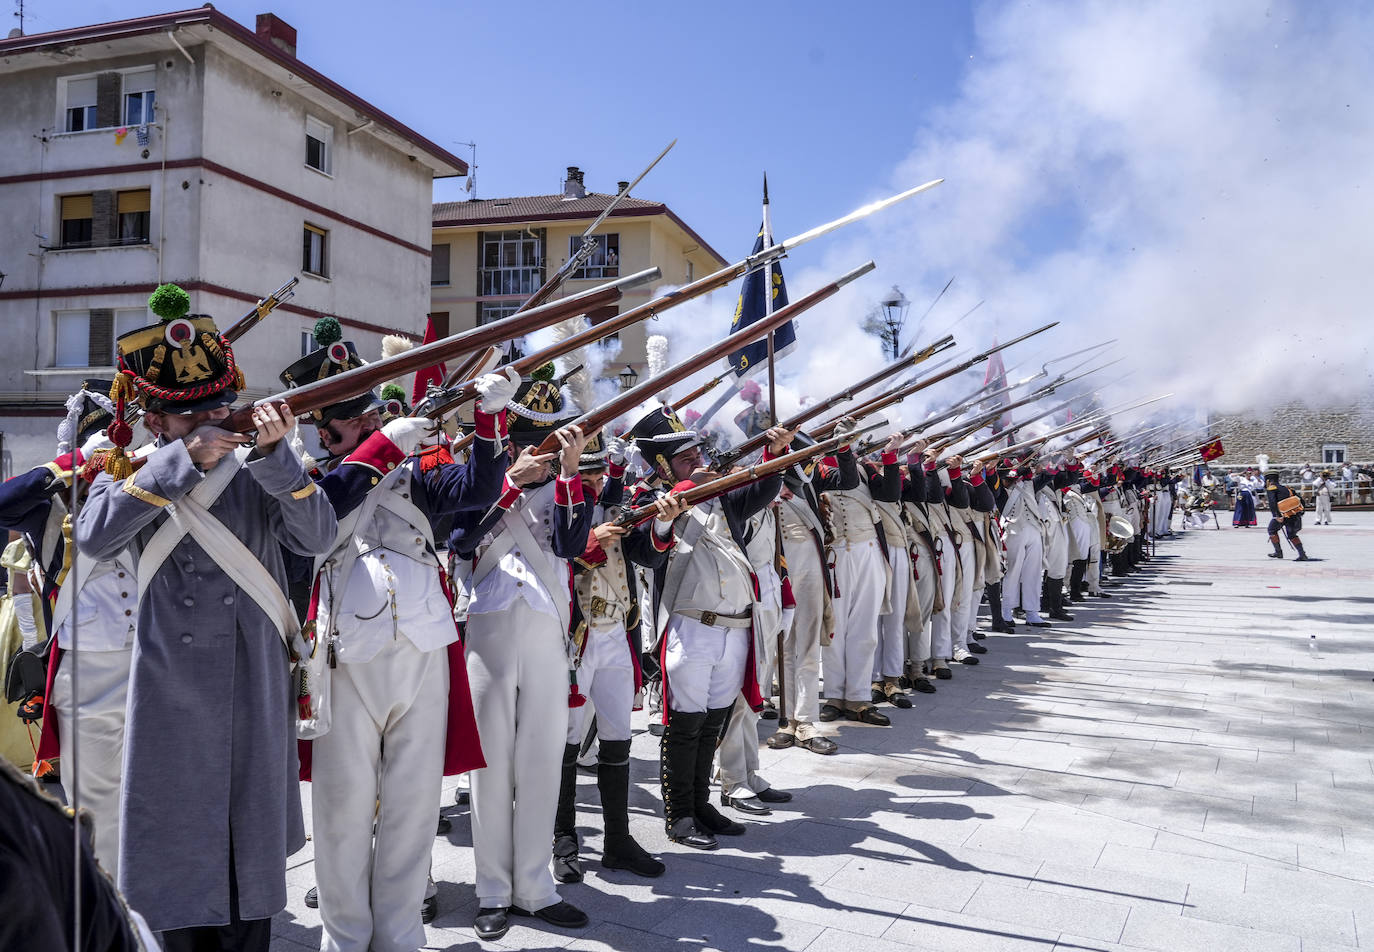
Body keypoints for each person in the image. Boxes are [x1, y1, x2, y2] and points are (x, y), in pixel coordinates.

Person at [75, 303, 338, 951]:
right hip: (172, 695)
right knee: (175, 869)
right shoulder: (140, 477)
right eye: (191, 413)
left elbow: (319, 537)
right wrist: (178, 461)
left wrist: (280, 458)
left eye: (220, 406)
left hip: (253, 689)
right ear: (156, 421)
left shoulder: (260, 476)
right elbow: (93, 538)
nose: (211, 420)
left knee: (250, 874)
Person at [282, 321, 514, 952]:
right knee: (343, 813)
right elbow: (315, 523)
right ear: (324, 429)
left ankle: (401, 937)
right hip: (344, 661)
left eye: (368, 415)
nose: (366, 424)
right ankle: (346, 939)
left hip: (424, 650)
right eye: (350, 421)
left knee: (414, 811)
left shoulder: (414, 474)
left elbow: (479, 493)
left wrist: (491, 420)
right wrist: (381, 447)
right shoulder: (303, 478)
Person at [448, 369, 594, 942]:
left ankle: (535, 887)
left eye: (550, 437)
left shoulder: (567, 480)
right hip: (486, 619)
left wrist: (568, 474)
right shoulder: (477, 476)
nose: (542, 446)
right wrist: (510, 481)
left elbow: (573, 544)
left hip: (548, 624)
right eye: (531, 436)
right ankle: (491, 890)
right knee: (489, 764)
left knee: (540, 760)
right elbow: (460, 539)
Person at [626, 406, 790, 850]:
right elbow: (645, 553)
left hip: (735, 628)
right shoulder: (650, 502)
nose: (697, 462)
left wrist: (777, 452)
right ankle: (679, 815)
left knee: (714, 721)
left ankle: (701, 804)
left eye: (698, 454)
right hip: (690, 626)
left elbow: (764, 488)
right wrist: (667, 512)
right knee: (685, 725)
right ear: (662, 468)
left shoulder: (722, 495)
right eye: (684, 460)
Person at [0, 381, 134, 876]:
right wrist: (77, 462)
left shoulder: (140, 476)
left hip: (153, 655)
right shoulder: (51, 496)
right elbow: (4, 501)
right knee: (97, 805)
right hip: (87, 659)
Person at [554, 433, 681, 880]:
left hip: (618, 635)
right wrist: (591, 539)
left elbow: (647, 555)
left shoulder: (615, 505)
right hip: (576, 640)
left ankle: (618, 839)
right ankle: (563, 838)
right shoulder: (555, 508)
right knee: (567, 743)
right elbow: (554, 560)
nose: (592, 479)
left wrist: (662, 524)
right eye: (584, 470)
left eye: (596, 470)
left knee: (617, 739)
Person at [768, 430, 857, 754]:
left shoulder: (810, 476)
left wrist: (844, 446)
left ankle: (803, 721)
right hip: (768, 566)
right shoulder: (761, 474)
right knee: (777, 649)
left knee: (804, 647)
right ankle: (784, 719)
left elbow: (847, 479)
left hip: (804, 563)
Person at [1265, 473, 1309, 561]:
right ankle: (1302, 554)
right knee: (1291, 534)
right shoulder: (1288, 488)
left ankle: (1278, 552)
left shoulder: (1271, 488)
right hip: (1293, 514)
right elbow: (1301, 500)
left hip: (1282, 514)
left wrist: (1276, 516)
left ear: (1268, 481)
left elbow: (1272, 503)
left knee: (1271, 530)